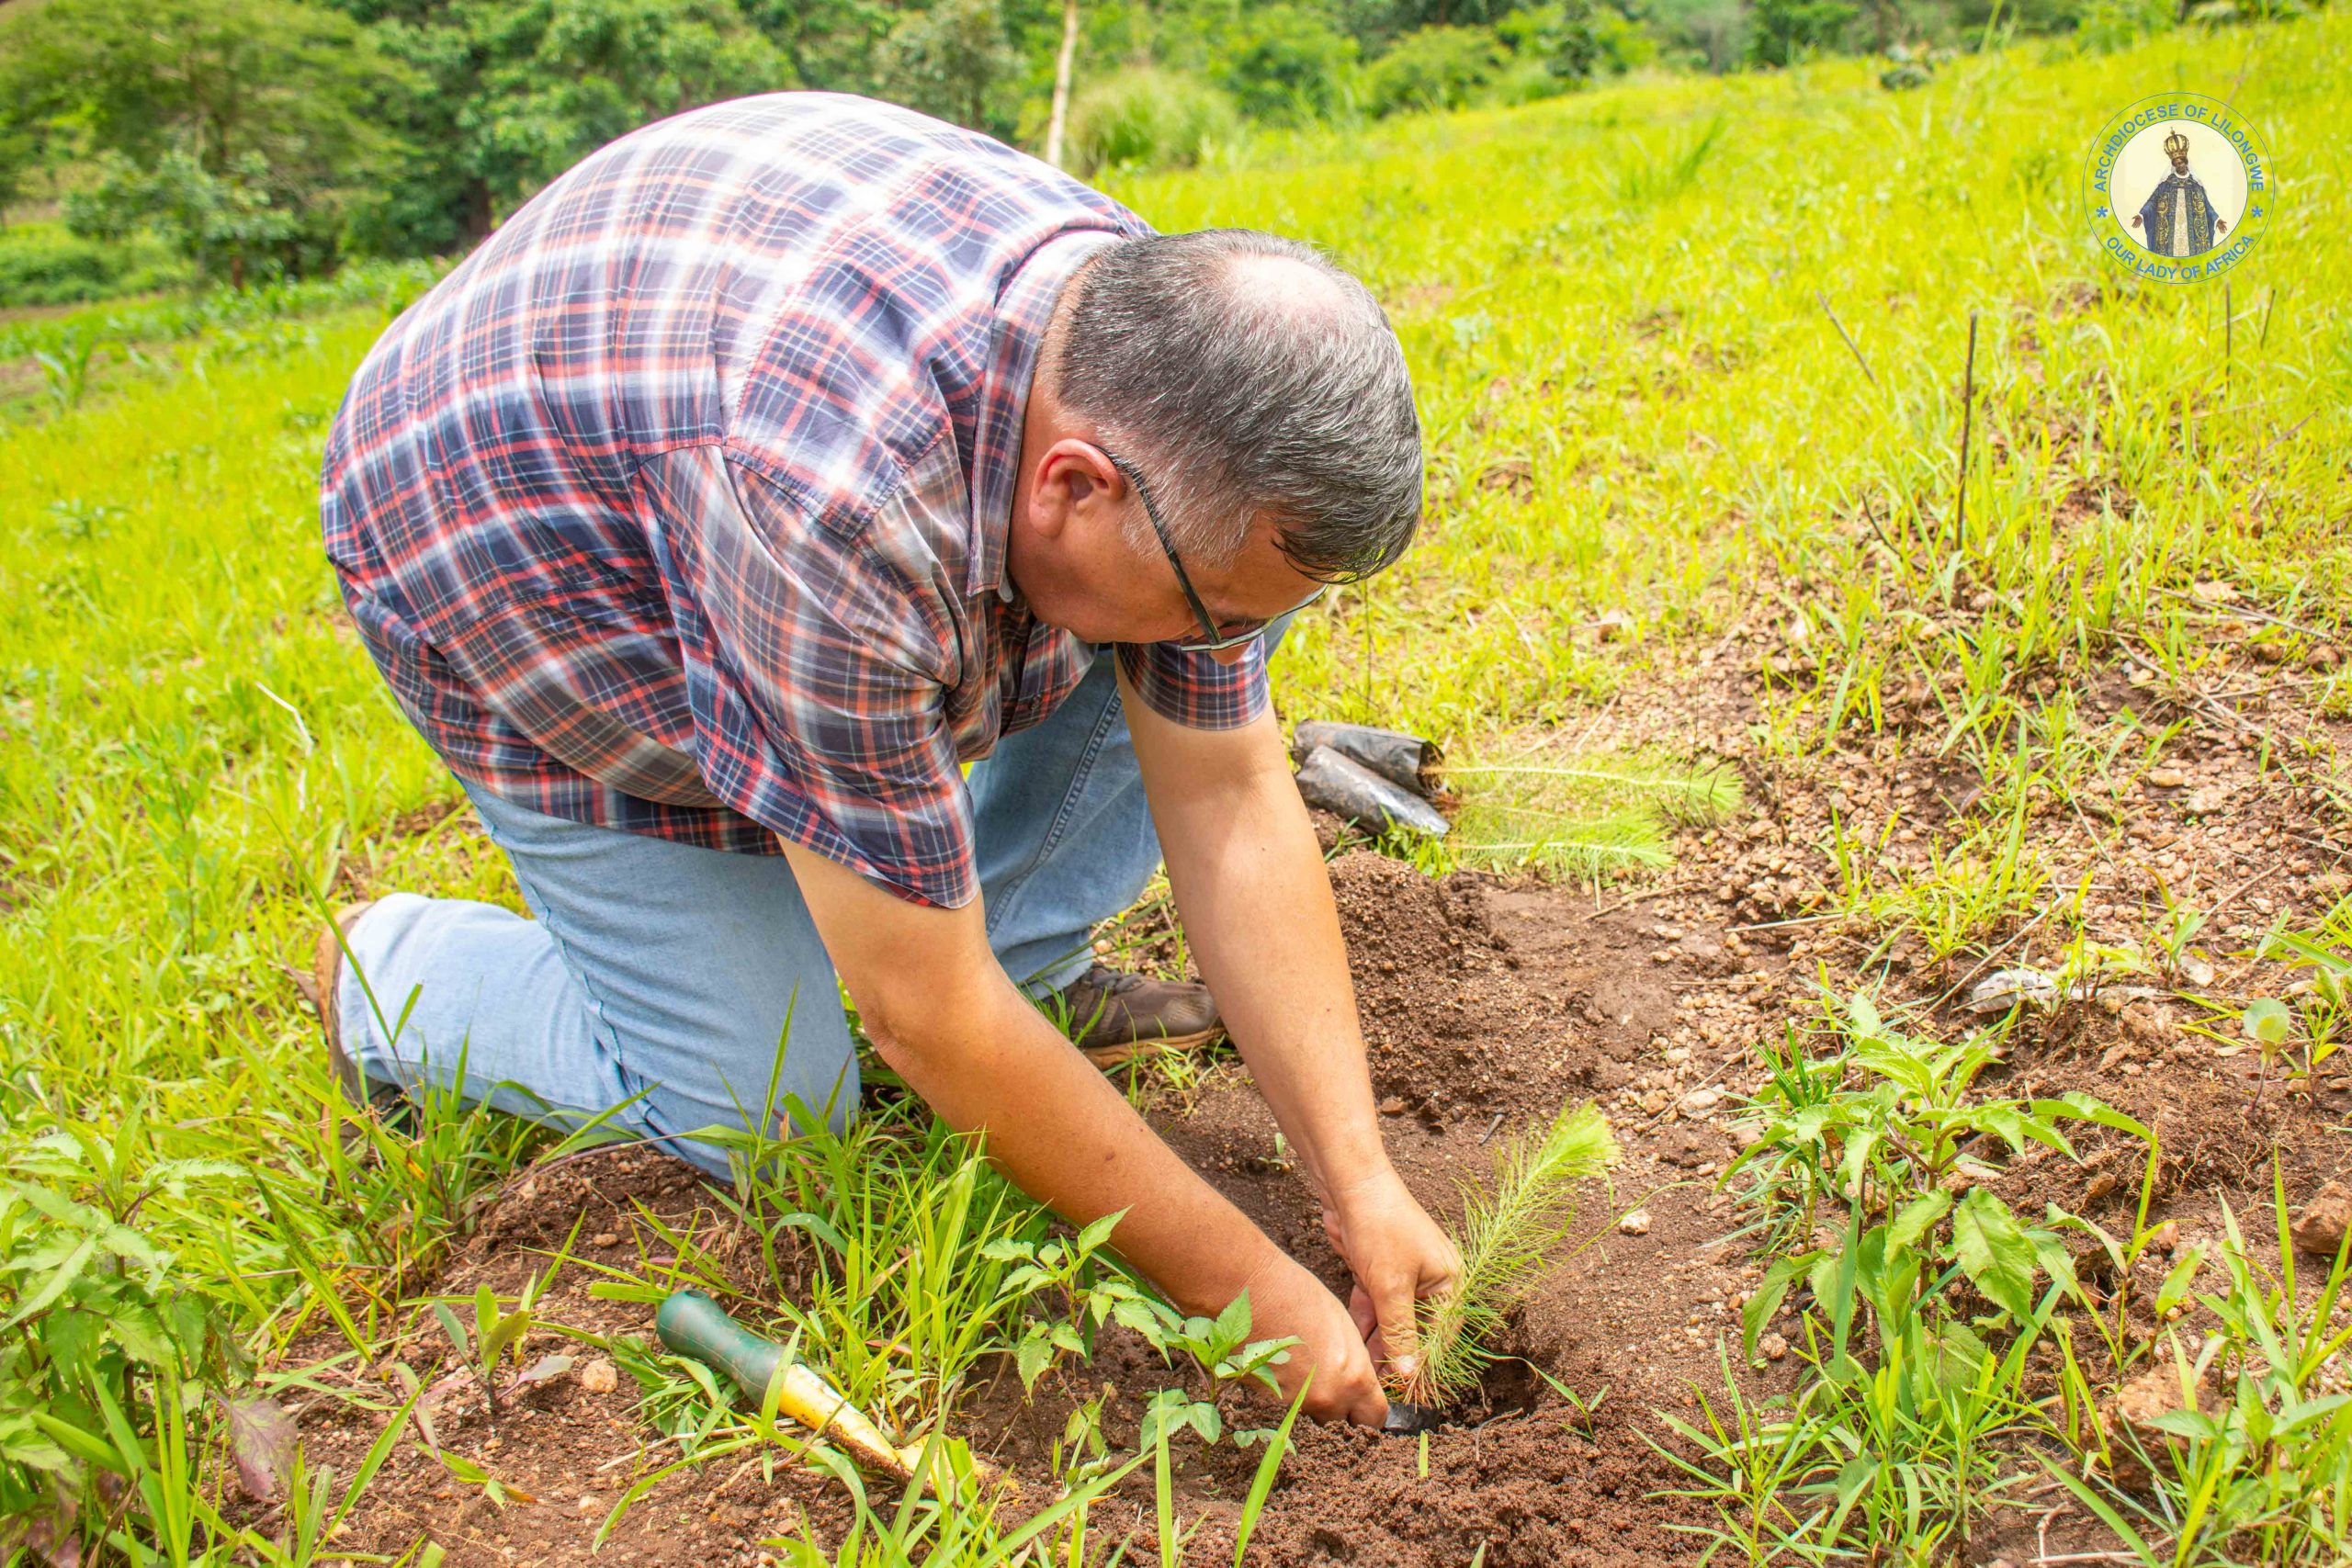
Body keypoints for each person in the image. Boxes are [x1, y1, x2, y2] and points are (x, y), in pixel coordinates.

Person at [312, 92, 1456, 1427]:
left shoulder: (1166, 372)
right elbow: (921, 1016)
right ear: (1073, 485)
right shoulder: (830, 504)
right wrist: (1253, 1288)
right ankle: (394, 969)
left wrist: (1358, 1172)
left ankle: (1027, 963)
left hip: (732, 438)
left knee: (1152, 654)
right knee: (774, 1110)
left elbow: (1231, 788)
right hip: (525, 572)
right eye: (1233, 609)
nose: (1240, 646)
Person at [2131, 127, 2227, 259]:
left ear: (2186, 162)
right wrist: (2141, 215)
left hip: (2192, 234)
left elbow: (2207, 206)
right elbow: (2152, 201)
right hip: (2170, 233)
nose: (2179, 165)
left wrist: (2217, 220)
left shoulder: (2195, 185)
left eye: (2181, 162)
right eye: (2176, 163)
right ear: (2174, 165)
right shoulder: (2166, 184)